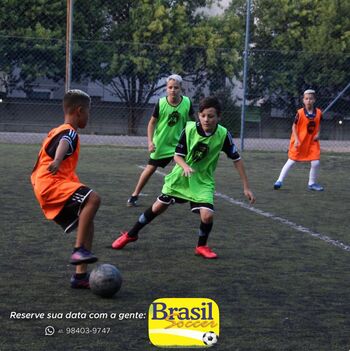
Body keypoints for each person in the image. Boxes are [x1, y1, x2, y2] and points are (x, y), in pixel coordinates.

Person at [113, 96, 255, 258]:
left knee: (207, 215)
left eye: (211, 116)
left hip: (202, 180)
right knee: (157, 207)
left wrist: (246, 187)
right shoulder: (189, 129)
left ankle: (201, 246)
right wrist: (185, 166)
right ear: (198, 116)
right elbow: (177, 156)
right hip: (181, 176)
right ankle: (131, 234)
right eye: (203, 116)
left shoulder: (223, 135)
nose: (206, 119)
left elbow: (237, 160)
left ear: (219, 117)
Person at [31, 89, 101, 289]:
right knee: (93, 199)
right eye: (88, 112)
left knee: (87, 224)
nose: (89, 116)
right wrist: (58, 160)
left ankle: (80, 277)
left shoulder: (57, 129)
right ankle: (79, 249)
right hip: (52, 184)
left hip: (43, 186)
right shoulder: (69, 131)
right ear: (79, 111)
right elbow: (64, 143)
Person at [126, 74, 194, 207]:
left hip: (179, 144)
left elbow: (193, 122)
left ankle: (182, 195)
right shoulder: (161, 103)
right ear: (166, 89)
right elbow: (151, 123)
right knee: (150, 169)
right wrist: (150, 142)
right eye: (170, 87)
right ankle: (134, 195)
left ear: (180, 88)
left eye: (176, 87)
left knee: (184, 168)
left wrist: (191, 139)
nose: (173, 90)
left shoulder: (187, 102)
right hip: (161, 144)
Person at [274, 89, 324, 191]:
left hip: (312, 142)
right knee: (291, 161)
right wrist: (296, 140)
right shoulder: (300, 113)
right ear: (303, 100)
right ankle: (279, 181)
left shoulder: (319, 113)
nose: (308, 100)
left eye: (311, 98)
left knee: (315, 162)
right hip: (300, 141)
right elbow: (293, 127)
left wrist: (318, 134)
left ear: (314, 100)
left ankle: (312, 183)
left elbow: (319, 125)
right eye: (306, 99)